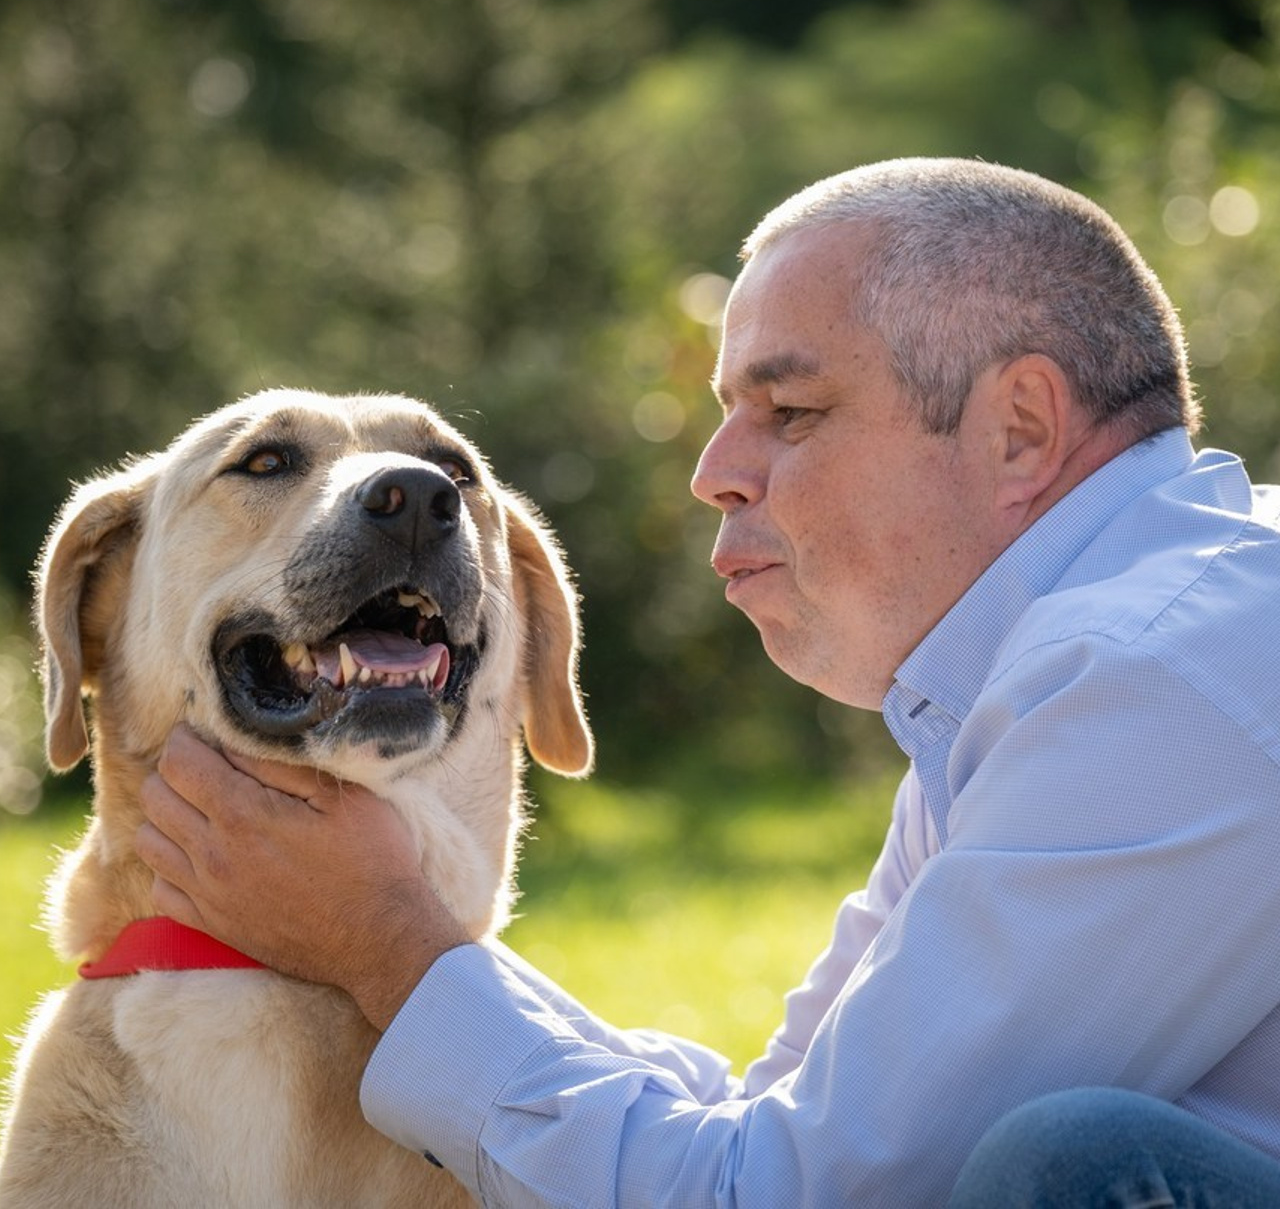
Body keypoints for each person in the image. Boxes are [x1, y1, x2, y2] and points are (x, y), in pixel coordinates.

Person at [137, 158, 1280, 1206]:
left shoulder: (1157, 678)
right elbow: (773, 1115)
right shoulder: (1033, 684)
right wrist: (406, 939)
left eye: (789, 412)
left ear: (1020, 430)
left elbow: (781, 1194)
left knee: (1073, 1172)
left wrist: (385, 944)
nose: (712, 474)